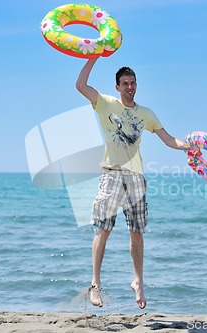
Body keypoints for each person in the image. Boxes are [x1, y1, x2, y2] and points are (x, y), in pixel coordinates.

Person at [76, 57, 184, 309]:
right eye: (125, 83)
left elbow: (169, 140)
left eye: (133, 83)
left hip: (135, 179)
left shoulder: (146, 114)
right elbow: (80, 85)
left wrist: (190, 148)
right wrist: (94, 56)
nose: (130, 87)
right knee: (103, 230)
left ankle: (138, 281)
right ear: (117, 87)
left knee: (137, 234)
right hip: (111, 175)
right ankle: (95, 284)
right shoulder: (105, 103)